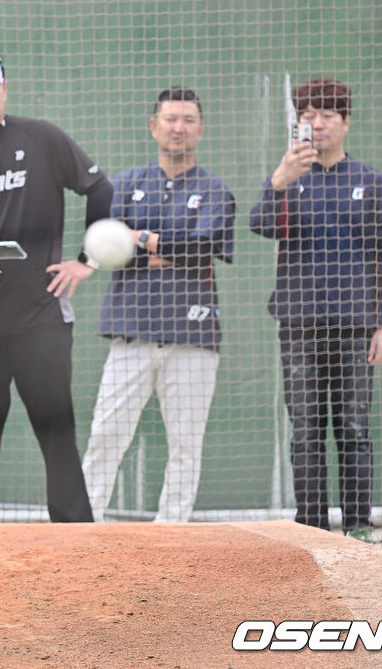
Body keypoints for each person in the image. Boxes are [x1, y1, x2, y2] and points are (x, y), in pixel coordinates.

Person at [0, 46, 113, 523]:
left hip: (41, 320)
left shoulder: (40, 137)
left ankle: (76, 540)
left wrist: (86, 260)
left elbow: (100, 189)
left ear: (5, 89)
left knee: (57, 435)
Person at [250, 77, 382, 539]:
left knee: (353, 429)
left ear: (346, 122)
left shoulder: (372, 183)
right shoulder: (289, 179)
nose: (317, 124)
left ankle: (358, 527)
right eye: (308, 116)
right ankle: (311, 529)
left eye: (328, 115)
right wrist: (277, 182)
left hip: (356, 326)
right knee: (305, 432)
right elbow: (260, 225)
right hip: (299, 324)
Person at [80, 87, 236, 523]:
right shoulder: (124, 185)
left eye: (188, 120)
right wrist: (163, 248)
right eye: (170, 119)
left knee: (186, 443)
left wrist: (144, 238)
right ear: (154, 126)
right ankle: (83, 526)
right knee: (106, 434)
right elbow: (105, 246)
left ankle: (173, 531)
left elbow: (203, 247)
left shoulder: (215, 190)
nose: (178, 127)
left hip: (193, 337)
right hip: (131, 331)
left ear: (201, 129)